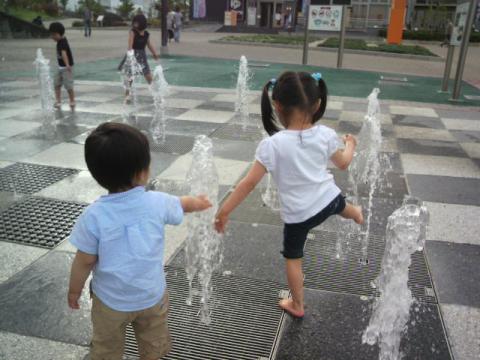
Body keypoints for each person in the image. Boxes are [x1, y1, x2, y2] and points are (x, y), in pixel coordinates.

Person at [215, 71, 363, 318]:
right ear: (317, 104)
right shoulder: (326, 134)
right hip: (329, 200)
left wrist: (224, 211)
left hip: (300, 216)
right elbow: (344, 163)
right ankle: (355, 212)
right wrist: (351, 145)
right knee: (341, 205)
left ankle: (297, 305)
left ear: (277, 106)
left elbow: (248, 184)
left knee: (293, 258)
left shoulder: (272, 145)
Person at [67, 122, 212, 359]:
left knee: (106, 348)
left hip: (110, 302)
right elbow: (182, 203)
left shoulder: (93, 216)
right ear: (142, 172)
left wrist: (75, 290)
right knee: (154, 344)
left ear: (97, 174)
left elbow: (84, 260)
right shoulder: (157, 201)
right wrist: (200, 203)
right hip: (151, 296)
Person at [123, 14, 159, 102]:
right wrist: (130, 56)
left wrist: (154, 53)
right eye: (134, 23)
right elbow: (130, 45)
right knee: (130, 77)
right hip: (133, 54)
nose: (135, 25)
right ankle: (127, 95)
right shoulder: (132, 32)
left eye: (137, 23)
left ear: (142, 23)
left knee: (148, 75)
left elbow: (149, 45)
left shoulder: (146, 34)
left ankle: (156, 94)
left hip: (142, 56)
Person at [49, 22, 75, 111]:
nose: (52, 37)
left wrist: (67, 65)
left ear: (60, 34)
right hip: (60, 67)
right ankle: (58, 100)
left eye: (54, 35)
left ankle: (72, 100)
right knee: (56, 84)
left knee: (68, 85)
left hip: (66, 67)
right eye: (51, 35)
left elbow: (64, 54)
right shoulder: (59, 41)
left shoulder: (63, 42)